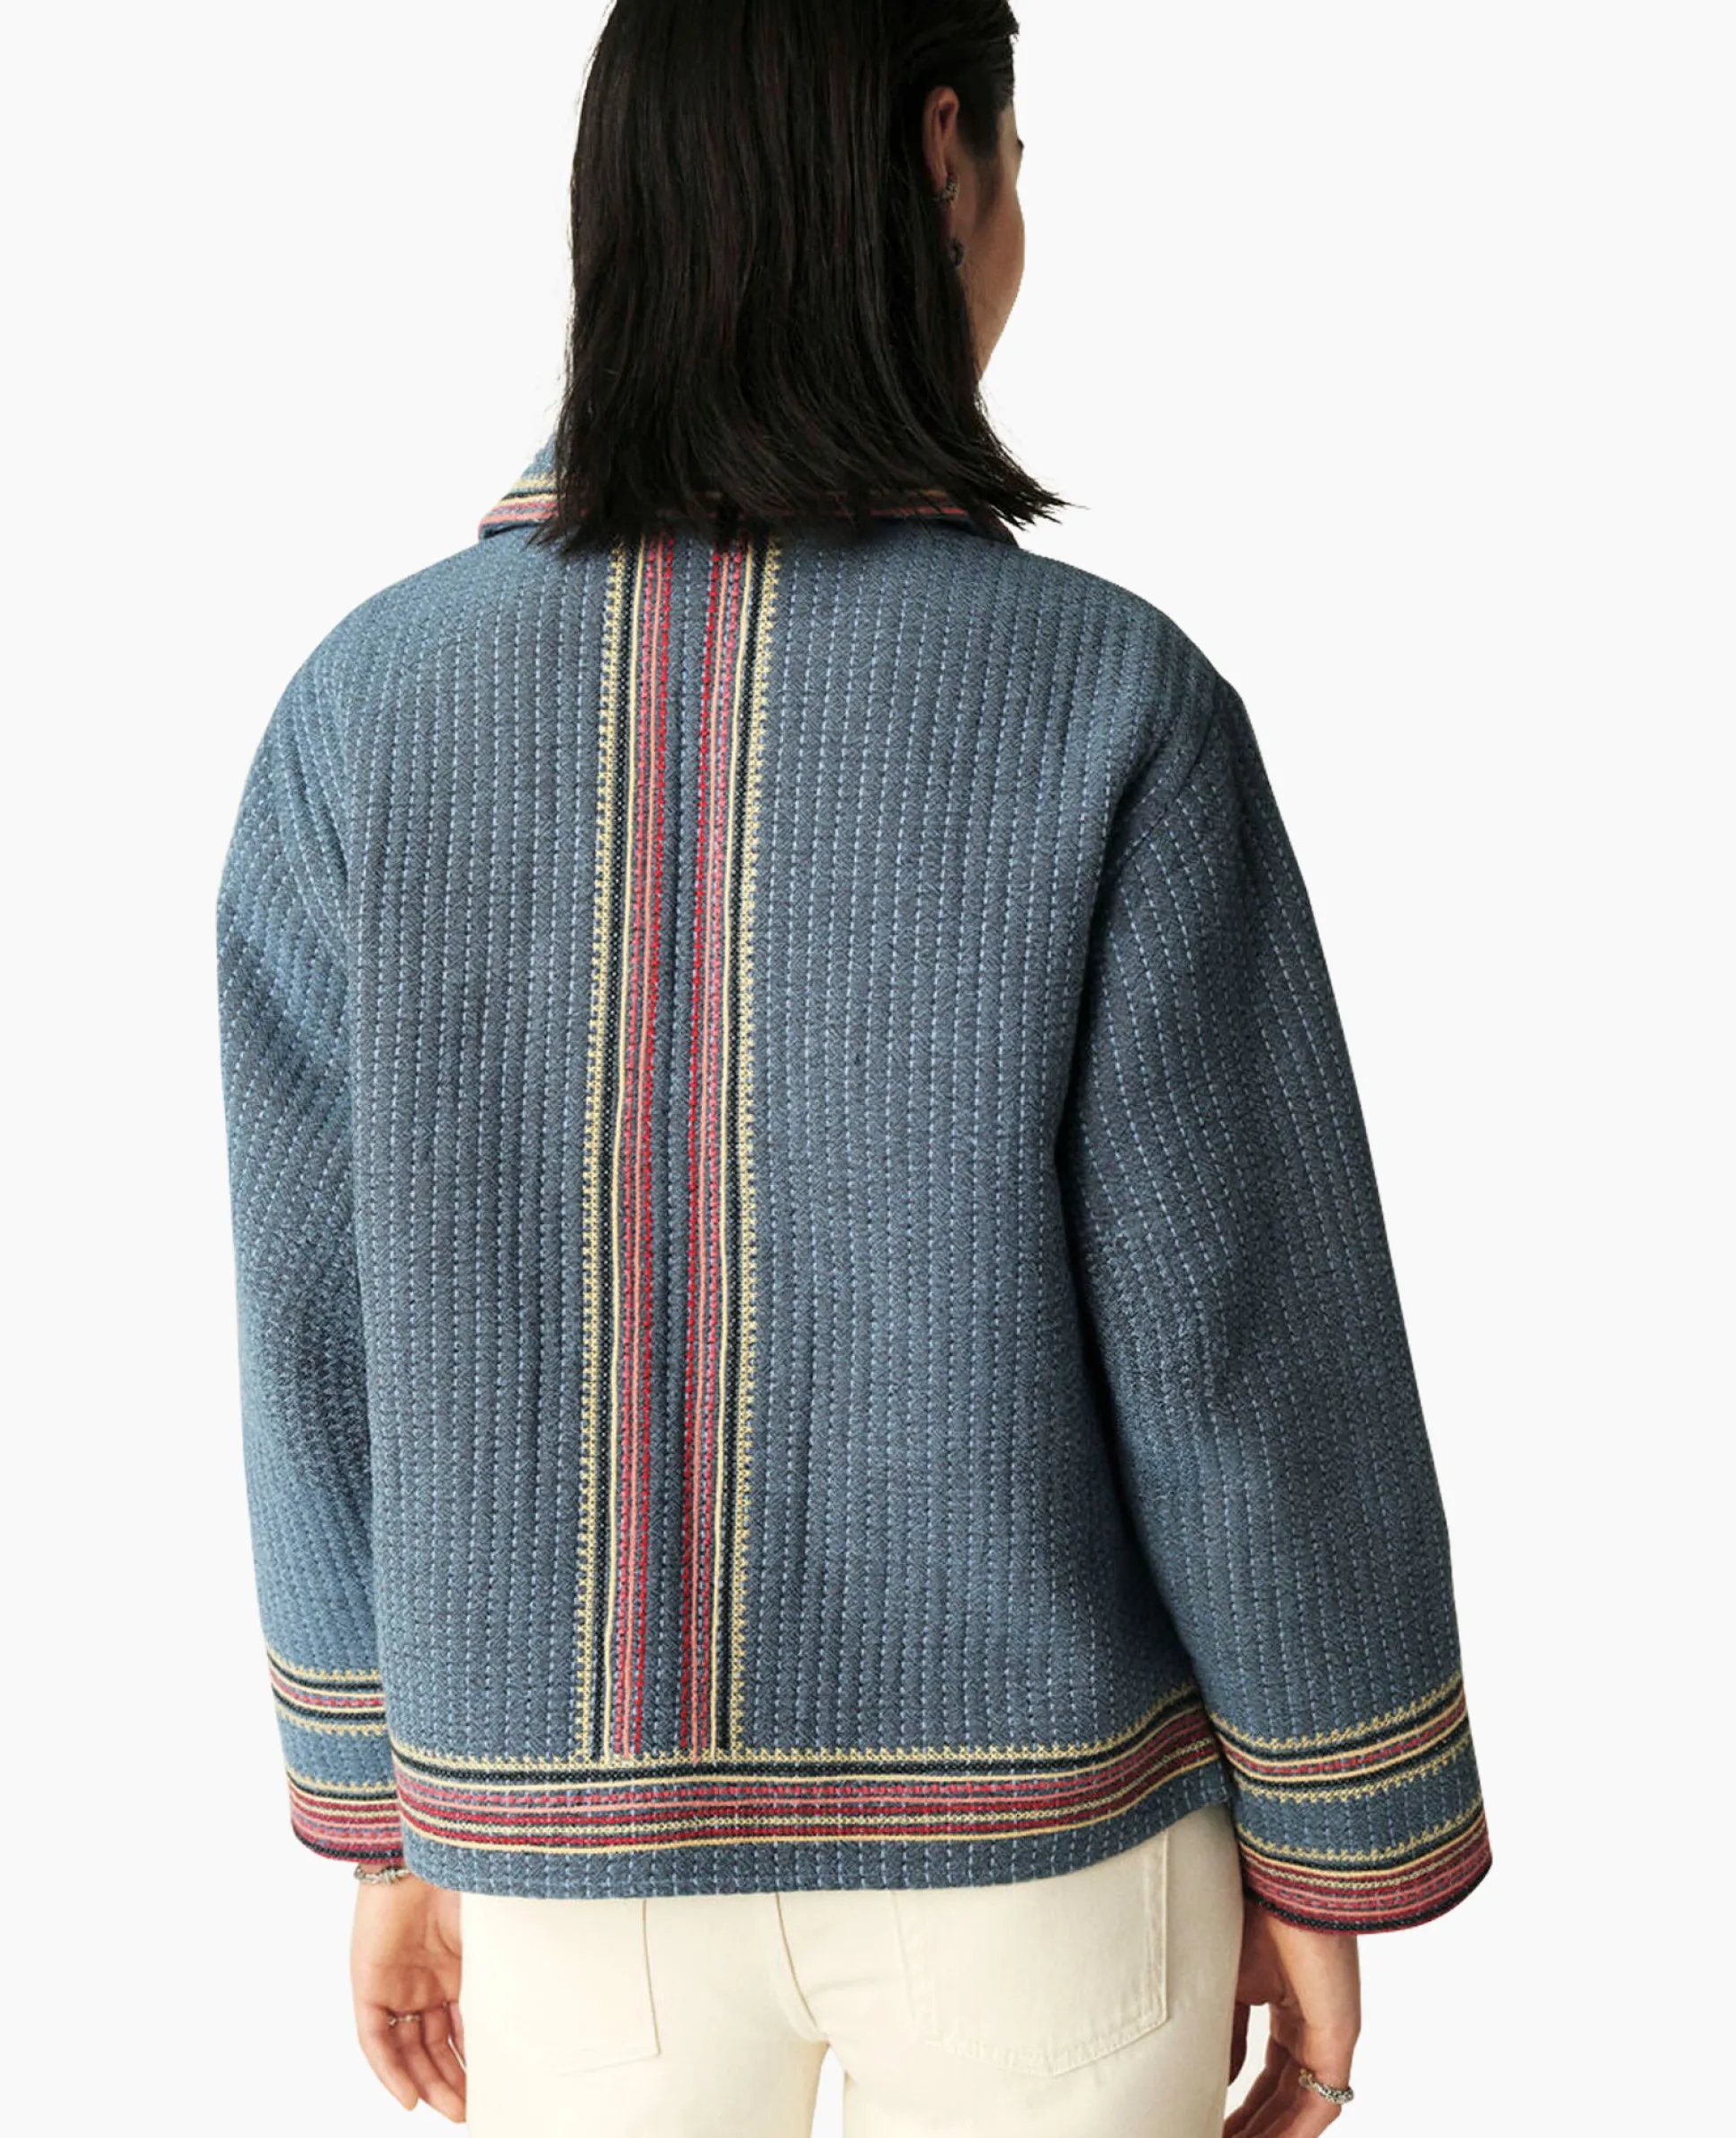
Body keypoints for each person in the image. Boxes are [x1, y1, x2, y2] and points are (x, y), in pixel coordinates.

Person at [214, 3, 1491, 2133]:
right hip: (1055, 1860)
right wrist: (1330, 1841)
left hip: (564, 1862)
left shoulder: (363, 714)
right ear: (940, 151)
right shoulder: (1110, 700)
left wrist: (380, 1818)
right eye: (1022, 163)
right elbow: (1246, 1346)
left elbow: (312, 1338)